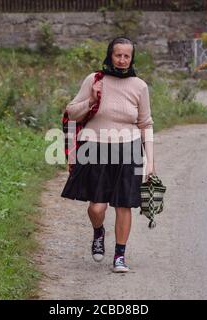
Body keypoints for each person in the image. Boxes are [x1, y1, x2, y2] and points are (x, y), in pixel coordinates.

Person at [60, 36, 155, 273]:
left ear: (132, 58)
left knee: (124, 205)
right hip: (95, 148)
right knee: (97, 208)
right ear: (109, 55)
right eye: (118, 55)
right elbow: (71, 113)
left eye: (127, 56)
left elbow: (146, 124)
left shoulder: (140, 86)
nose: (122, 60)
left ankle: (120, 256)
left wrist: (150, 161)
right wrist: (91, 99)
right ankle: (98, 232)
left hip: (129, 148)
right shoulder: (94, 79)